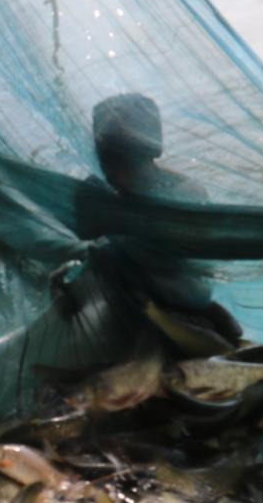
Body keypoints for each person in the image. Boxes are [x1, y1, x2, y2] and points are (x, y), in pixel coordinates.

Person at [63, 92, 244, 347]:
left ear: (151, 152)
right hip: (127, 280)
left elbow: (189, 258)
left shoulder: (183, 193)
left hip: (176, 287)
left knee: (194, 314)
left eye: (124, 161)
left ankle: (196, 317)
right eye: (106, 160)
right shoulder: (100, 193)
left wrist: (127, 224)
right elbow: (83, 232)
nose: (113, 171)